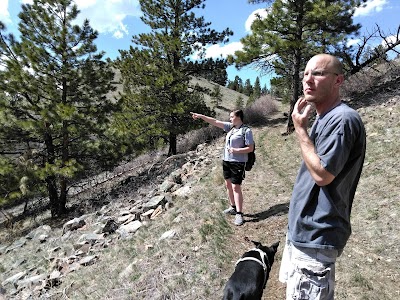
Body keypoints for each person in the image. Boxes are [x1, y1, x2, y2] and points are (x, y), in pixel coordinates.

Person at [279, 54, 366, 299]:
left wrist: (299, 129)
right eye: (305, 74)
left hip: (317, 236)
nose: (308, 80)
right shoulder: (324, 118)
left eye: (317, 73)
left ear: (338, 80)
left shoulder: (342, 119)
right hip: (305, 232)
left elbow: (322, 174)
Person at [190, 110, 254, 226]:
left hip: (238, 162)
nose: (230, 119)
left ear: (239, 117)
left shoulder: (246, 131)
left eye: (232, 117)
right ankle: (233, 207)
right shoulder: (230, 127)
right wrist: (200, 115)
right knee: (228, 185)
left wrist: (236, 150)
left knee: (236, 187)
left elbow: (250, 148)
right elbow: (214, 121)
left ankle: (239, 214)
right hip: (226, 161)